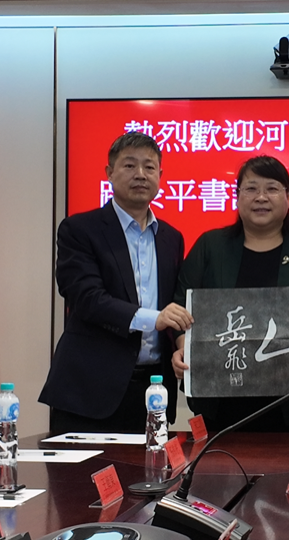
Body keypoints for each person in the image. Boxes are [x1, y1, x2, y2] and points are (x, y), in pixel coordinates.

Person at [171, 155, 289, 433]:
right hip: (218, 398)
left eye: (272, 188)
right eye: (251, 188)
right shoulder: (210, 247)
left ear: (288, 197)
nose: (261, 197)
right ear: (237, 196)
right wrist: (183, 347)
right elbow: (181, 306)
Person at [39, 132, 193, 434]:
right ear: (109, 173)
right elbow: (86, 298)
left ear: (160, 176)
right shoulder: (79, 229)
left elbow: (173, 305)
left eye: (149, 167)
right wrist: (155, 318)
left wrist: (180, 343)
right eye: (129, 165)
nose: (141, 174)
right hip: (90, 391)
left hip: (153, 392)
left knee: (152, 467)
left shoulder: (171, 238)